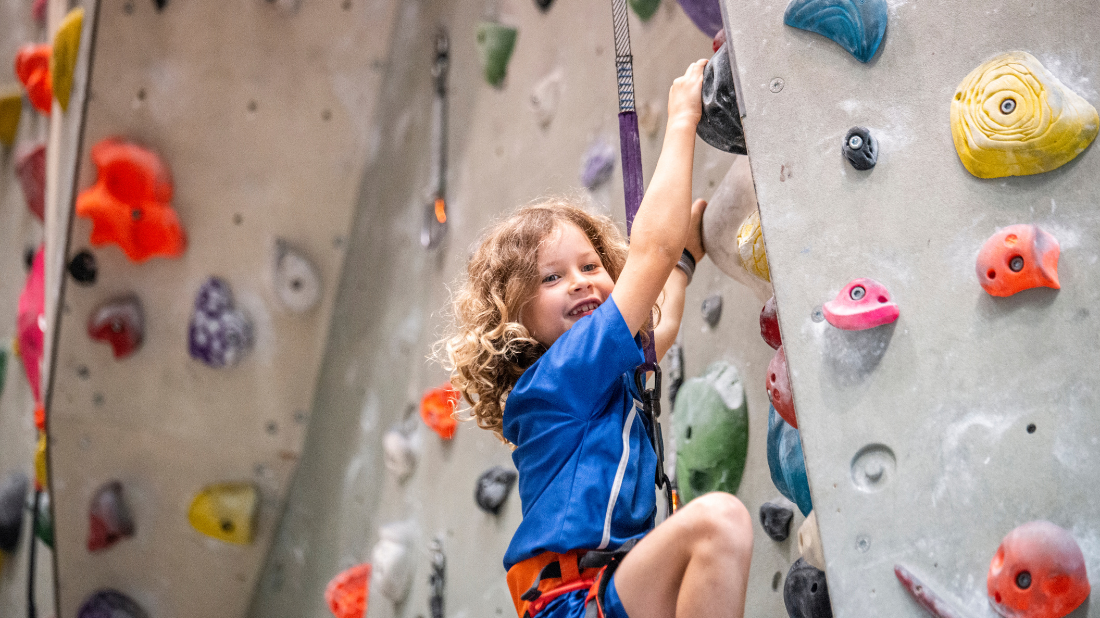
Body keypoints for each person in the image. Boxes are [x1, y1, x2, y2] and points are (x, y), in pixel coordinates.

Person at [440, 59, 753, 618]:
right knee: (717, 523)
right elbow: (648, 255)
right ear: (515, 317)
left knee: (710, 533)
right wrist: (682, 118)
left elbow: (662, 328)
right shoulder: (559, 377)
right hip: (570, 597)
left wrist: (681, 264)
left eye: (590, 265)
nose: (581, 282)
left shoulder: (594, 377)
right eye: (553, 277)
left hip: (600, 585)